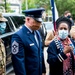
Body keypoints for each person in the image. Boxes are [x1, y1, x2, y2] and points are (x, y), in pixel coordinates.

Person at [11, 8, 46, 75]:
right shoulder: (18, 36)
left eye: (40, 22)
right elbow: (18, 62)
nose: (39, 24)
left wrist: (43, 70)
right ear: (28, 19)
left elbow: (40, 53)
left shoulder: (37, 33)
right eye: (37, 21)